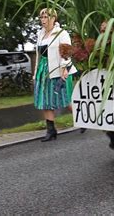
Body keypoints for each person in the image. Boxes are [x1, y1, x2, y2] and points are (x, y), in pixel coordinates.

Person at [34, 8, 78, 142]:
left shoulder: (61, 33)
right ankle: (51, 130)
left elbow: (66, 52)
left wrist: (65, 69)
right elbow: (38, 55)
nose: (43, 20)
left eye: (46, 17)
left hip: (58, 70)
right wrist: (36, 73)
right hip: (43, 70)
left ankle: (81, 119)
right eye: (41, 18)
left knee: (65, 99)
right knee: (44, 100)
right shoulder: (40, 34)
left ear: (53, 18)